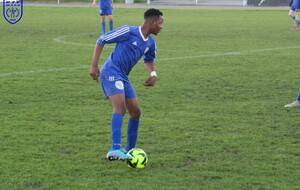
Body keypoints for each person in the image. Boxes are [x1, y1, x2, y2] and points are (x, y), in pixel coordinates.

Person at [90, 8, 164, 161]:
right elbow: (101, 40)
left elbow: (149, 60)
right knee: (120, 107)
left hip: (123, 76)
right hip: (110, 72)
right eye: (160, 23)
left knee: (136, 112)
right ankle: (115, 149)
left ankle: (130, 150)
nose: (162, 27)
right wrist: (94, 66)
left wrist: (153, 74)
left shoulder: (150, 42)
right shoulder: (128, 31)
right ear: (151, 22)